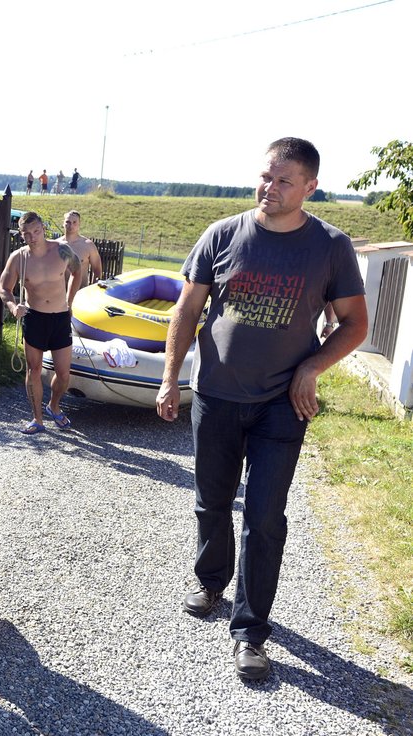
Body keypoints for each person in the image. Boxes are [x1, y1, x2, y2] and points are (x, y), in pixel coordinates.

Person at [156, 137, 367, 681]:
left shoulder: (330, 246)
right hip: (217, 395)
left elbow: (355, 324)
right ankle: (210, 580)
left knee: (265, 518)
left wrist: (310, 368)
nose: (269, 190)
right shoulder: (222, 234)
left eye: (284, 182)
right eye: (266, 178)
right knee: (211, 501)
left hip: (281, 405)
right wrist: (169, 378)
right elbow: (187, 309)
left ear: (310, 187)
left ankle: (251, 632)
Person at [0, 211, 81, 434]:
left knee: (64, 374)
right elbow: (4, 288)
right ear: (21, 235)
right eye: (27, 234)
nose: (32, 237)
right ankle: (37, 419)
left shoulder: (62, 250)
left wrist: (69, 300)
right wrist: (13, 306)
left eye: (36, 231)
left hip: (60, 317)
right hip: (34, 317)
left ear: (43, 228)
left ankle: (53, 405)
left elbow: (77, 271)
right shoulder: (19, 258)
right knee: (33, 369)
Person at [59, 210, 103, 288]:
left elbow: (97, 270)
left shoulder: (88, 245)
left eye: (74, 222)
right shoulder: (56, 244)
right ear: (63, 223)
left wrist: (93, 289)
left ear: (79, 224)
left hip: (80, 293)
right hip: (59, 294)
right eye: (68, 222)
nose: (71, 225)